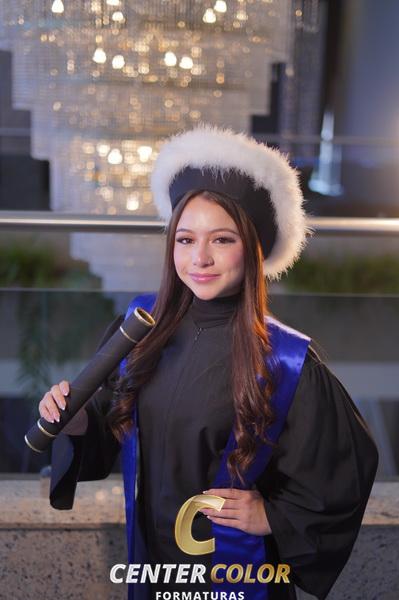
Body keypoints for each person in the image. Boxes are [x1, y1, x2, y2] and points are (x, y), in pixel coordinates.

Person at [40, 125, 379, 600]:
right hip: (154, 566)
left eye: (221, 240)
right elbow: (113, 427)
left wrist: (272, 516)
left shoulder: (286, 360)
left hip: (238, 573)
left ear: (253, 248)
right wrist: (76, 421)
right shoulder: (139, 330)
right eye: (185, 239)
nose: (199, 258)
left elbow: (342, 472)